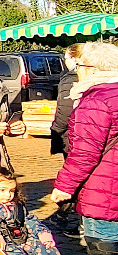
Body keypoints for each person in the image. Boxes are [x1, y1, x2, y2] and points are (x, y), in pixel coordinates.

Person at [51, 41, 118, 255]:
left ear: (91, 68)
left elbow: (84, 153)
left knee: (106, 252)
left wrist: (64, 187)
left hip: (103, 190)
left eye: (79, 67)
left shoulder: (96, 100)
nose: (77, 71)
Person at [46, 44, 83, 236]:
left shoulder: (70, 79)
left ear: (73, 59)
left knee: (76, 174)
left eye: (66, 58)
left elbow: (65, 110)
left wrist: (56, 131)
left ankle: (75, 219)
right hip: (87, 133)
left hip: (74, 135)